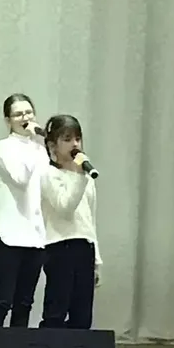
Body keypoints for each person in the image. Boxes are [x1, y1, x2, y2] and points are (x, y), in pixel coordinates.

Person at [0, 93, 48, 338]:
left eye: (28, 112)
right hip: (10, 234)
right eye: (18, 114)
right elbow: (20, 178)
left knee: (25, 302)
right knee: (3, 300)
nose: (25, 117)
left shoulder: (41, 149)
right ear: (8, 120)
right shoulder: (3, 147)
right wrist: (34, 145)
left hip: (36, 235)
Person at [39, 114, 101, 329]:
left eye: (77, 138)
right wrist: (79, 176)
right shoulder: (48, 174)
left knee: (82, 316)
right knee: (56, 312)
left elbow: (90, 219)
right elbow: (64, 208)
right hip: (60, 248)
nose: (75, 144)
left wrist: (96, 260)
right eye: (67, 139)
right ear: (52, 145)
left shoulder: (85, 178)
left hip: (84, 247)